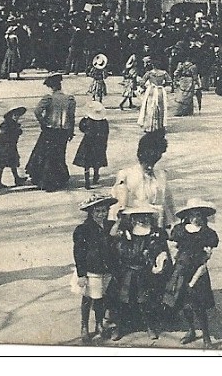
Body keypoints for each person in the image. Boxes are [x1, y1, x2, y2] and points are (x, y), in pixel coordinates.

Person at [107, 205, 172, 341]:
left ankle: (150, 326)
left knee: (145, 301)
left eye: (145, 216)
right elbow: (113, 238)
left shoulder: (155, 232)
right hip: (127, 271)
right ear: (133, 218)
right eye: (138, 216)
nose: (141, 219)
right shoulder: (126, 232)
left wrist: (158, 260)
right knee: (122, 300)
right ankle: (119, 327)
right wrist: (119, 220)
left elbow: (162, 251)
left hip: (145, 272)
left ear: (149, 217)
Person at [166, 199, 220, 349]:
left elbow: (208, 254)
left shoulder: (208, 233)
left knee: (199, 305)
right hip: (182, 270)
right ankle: (191, 330)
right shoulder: (180, 230)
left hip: (198, 271)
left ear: (203, 217)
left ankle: (206, 336)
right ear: (187, 216)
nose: (195, 218)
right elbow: (173, 247)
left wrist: (202, 267)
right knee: (185, 304)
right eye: (192, 215)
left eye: (198, 215)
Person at [73, 193, 118, 344]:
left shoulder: (110, 226)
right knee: (88, 297)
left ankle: (99, 323)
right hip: (91, 269)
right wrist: (81, 274)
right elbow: (79, 252)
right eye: (97, 211)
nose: (101, 214)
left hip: (106, 268)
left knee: (101, 298)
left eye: (104, 211)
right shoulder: (83, 229)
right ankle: (84, 326)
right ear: (91, 212)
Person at [110, 132, 175, 229]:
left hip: (157, 225)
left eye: (158, 155)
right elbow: (119, 206)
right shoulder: (125, 175)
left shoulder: (161, 175)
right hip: (133, 225)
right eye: (148, 160)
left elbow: (169, 205)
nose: (151, 164)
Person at [25, 74, 76, 192]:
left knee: (46, 154)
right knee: (59, 155)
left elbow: (37, 111)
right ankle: (59, 179)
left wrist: (43, 122)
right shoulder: (69, 99)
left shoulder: (49, 98)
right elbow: (71, 117)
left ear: (51, 87)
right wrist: (71, 131)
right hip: (63, 131)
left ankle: (46, 181)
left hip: (50, 130)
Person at [73, 102, 110, 190]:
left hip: (87, 144)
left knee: (86, 163)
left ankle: (87, 181)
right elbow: (106, 133)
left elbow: (81, 128)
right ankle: (96, 176)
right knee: (97, 161)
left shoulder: (87, 121)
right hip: (99, 144)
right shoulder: (104, 122)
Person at [0, 106, 29, 189]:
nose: (17, 117)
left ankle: (16, 178)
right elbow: (8, 134)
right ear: (11, 115)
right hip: (5, 146)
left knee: (12, 162)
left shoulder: (10, 124)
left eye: (18, 115)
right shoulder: (8, 124)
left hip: (9, 145)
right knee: (3, 163)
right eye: (15, 115)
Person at [137, 57, 173, 134]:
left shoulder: (149, 73)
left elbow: (142, 83)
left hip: (151, 91)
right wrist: (162, 85)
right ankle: (159, 126)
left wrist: (144, 88)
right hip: (160, 91)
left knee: (150, 108)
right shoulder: (164, 73)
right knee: (160, 108)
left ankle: (150, 127)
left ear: (153, 65)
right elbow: (169, 81)